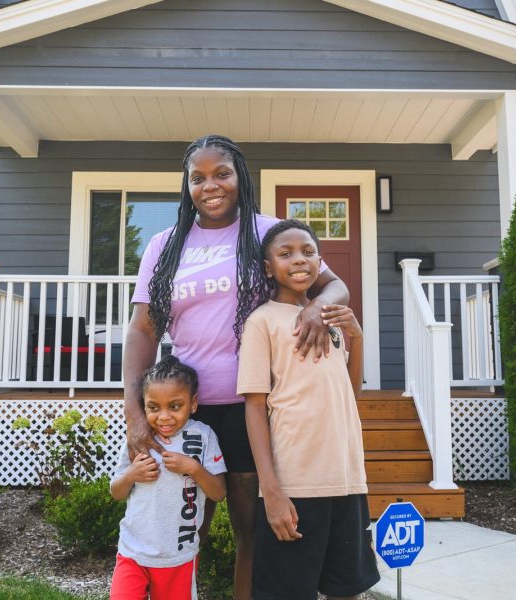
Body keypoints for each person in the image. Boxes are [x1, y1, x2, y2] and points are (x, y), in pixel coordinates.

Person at [123, 134, 350, 599]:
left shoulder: (268, 232)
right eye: (198, 178)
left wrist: (315, 307)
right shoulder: (165, 245)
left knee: (251, 532)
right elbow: (143, 329)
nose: (211, 186)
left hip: (256, 408)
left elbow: (335, 285)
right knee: (183, 529)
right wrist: (133, 410)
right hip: (185, 412)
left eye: (222, 174)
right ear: (187, 185)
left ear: (240, 177)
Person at [238, 219, 380, 600]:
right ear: (269, 268)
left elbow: (348, 393)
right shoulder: (262, 322)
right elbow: (254, 408)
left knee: (346, 589)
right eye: (285, 254)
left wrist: (356, 338)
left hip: (347, 480)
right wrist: (271, 491)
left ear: (320, 262)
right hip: (296, 484)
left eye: (308, 252)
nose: (299, 260)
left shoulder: (330, 319)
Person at [110, 355, 227, 600]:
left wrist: (194, 468)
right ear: (144, 405)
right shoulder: (139, 439)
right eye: (154, 408)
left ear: (193, 403)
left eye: (175, 406)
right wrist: (131, 475)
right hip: (133, 552)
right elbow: (116, 492)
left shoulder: (204, 436)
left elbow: (218, 493)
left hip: (178, 557)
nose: (164, 417)